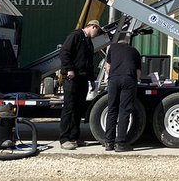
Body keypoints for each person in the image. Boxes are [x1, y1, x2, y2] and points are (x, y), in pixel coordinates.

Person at [58, 20, 102, 149]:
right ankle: (64, 139)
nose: (97, 33)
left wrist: (92, 79)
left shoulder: (88, 41)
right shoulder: (75, 36)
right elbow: (64, 53)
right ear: (93, 27)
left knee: (78, 109)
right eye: (97, 30)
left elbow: (88, 62)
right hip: (73, 79)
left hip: (83, 79)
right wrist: (70, 69)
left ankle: (74, 137)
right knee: (69, 108)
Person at [103, 35, 143, 152]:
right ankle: (120, 144)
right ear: (127, 44)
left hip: (114, 79)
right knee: (124, 111)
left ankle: (108, 142)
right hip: (128, 79)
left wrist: (109, 78)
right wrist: (136, 82)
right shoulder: (134, 51)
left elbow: (108, 66)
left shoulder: (112, 48)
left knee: (112, 110)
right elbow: (138, 72)